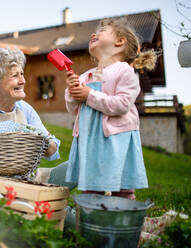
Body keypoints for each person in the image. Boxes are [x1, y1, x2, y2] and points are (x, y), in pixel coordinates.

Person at [63, 18, 158, 200]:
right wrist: (72, 92)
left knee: (122, 187)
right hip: (90, 138)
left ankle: (122, 221)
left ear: (119, 41)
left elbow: (122, 105)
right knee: (91, 186)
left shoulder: (124, 71)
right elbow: (74, 110)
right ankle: (91, 220)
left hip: (117, 140)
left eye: (102, 30)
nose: (94, 34)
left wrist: (89, 95)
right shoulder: (85, 76)